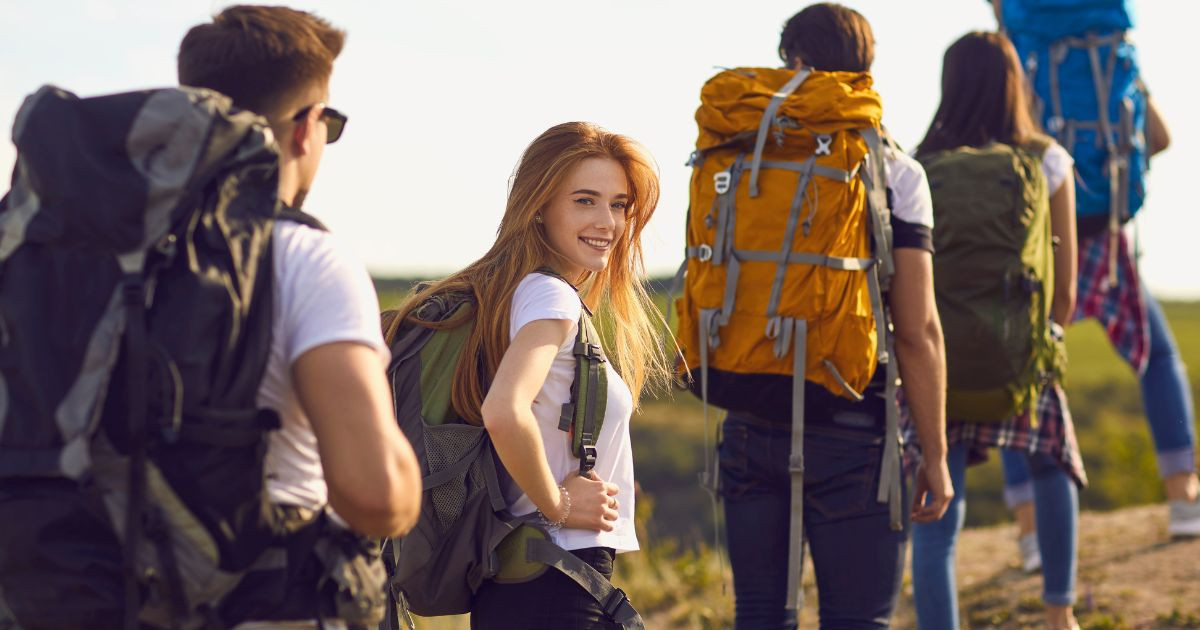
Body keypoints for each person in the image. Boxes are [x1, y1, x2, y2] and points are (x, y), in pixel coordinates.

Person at [0, 6, 420, 628]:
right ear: (307, 127)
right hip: (254, 601)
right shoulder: (306, 256)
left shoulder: (39, 252)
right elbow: (374, 496)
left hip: (59, 595)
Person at [676, 4, 952, 627]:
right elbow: (918, 329)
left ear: (792, 63)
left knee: (760, 617)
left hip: (745, 418)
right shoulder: (895, 170)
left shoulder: (732, 155)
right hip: (854, 424)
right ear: (865, 71)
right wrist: (934, 455)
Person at [388, 122, 670, 628]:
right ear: (539, 206)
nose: (607, 221)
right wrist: (558, 504)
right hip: (558, 579)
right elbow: (504, 410)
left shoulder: (513, 292)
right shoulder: (552, 295)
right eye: (585, 200)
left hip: (518, 581)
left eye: (619, 204)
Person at [990, 0, 1199, 543]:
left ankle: (1031, 531)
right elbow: (1160, 138)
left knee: (1017, 372)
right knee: (1157, 357)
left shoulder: (1019, 46)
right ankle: (1183, 499)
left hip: (1039, 236)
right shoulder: (1111, 48)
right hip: (1103, 233)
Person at [907, 31, 1086, 630]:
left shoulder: (917, 165)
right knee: (1050, 467)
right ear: (1015, 84)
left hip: (938, 360)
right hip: (1021, 355)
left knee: (938, 510)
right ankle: (1060, 612)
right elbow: (1064, 291)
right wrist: (1034, 343)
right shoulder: (1047, 158)